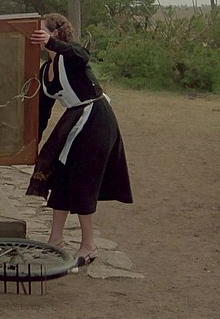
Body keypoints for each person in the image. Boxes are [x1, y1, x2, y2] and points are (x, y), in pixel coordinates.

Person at [26, 13, 133, 266]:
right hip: (74, 119)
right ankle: (55, 239)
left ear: (56, 34)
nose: (37, 36)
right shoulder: (45, 70)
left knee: (84, 178)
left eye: (42, 31)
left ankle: (89, 245)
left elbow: (83, 54)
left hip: (97, 118)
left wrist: (52, 44)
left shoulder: (71, 56)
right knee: (60, 174)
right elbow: (42, 111)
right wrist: (32, 143)